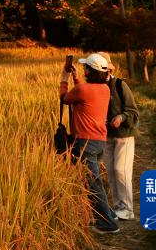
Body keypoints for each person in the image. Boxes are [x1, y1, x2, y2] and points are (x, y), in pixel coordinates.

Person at [60, 52, 120, 234]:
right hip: (99, 141)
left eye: (86, 67)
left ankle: (108, 224)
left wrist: (65, 77)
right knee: (95, 182)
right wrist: (77, 78)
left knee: (93, 184)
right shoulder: (105, 89)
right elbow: (85, 96)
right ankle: (109, 214)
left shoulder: (83, 90)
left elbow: (64, 98)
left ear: (90, 71)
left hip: (85, 143)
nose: (84, 69)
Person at [102, 54, 139, 220]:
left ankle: (127, 209)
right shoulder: (94, 87)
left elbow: (133, 112)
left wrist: (121, 118)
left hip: (124, 136)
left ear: (107, 70)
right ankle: (118, 207)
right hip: (105, 136)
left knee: (121, 170)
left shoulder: (119, 85)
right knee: (110, 171)